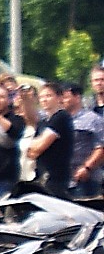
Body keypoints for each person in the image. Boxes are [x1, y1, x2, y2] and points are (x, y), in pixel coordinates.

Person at [30, 82, 75, 196]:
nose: (44, 100)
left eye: (48, 96)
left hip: (57, 179)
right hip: (42, 177)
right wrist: (34, 145)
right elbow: (30, 152)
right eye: (41, 97)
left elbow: (39, 147)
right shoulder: (43, 122)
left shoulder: (61, 117)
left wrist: (36, 145)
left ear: (59, 98)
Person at [72, 67, 104, 197]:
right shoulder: (87, 107)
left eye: (102, 80)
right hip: (93, 164)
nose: (99, 83)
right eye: (96, 80)